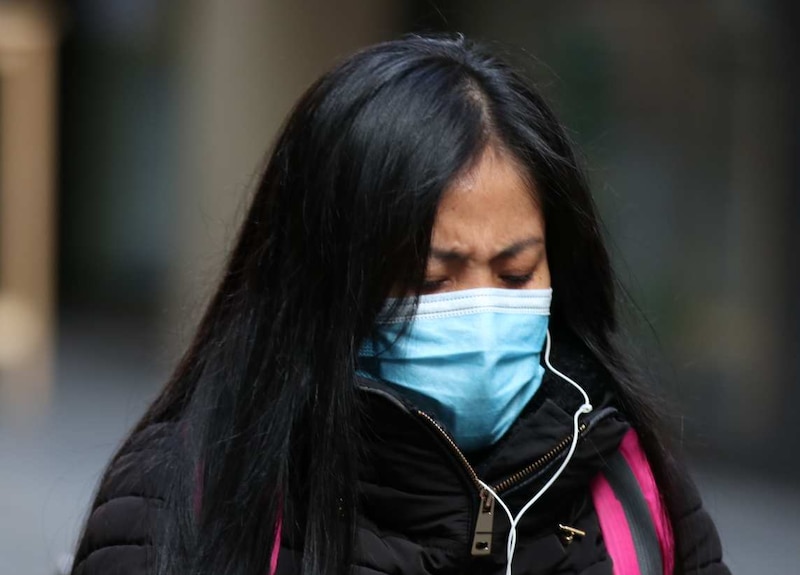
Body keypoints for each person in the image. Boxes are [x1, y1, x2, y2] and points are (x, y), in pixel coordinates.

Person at [71, 35, 730, 575]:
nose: (481, 314)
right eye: (431, 279)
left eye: (515, 270)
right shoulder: (187, 500)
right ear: (326, 283)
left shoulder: (630, 485)